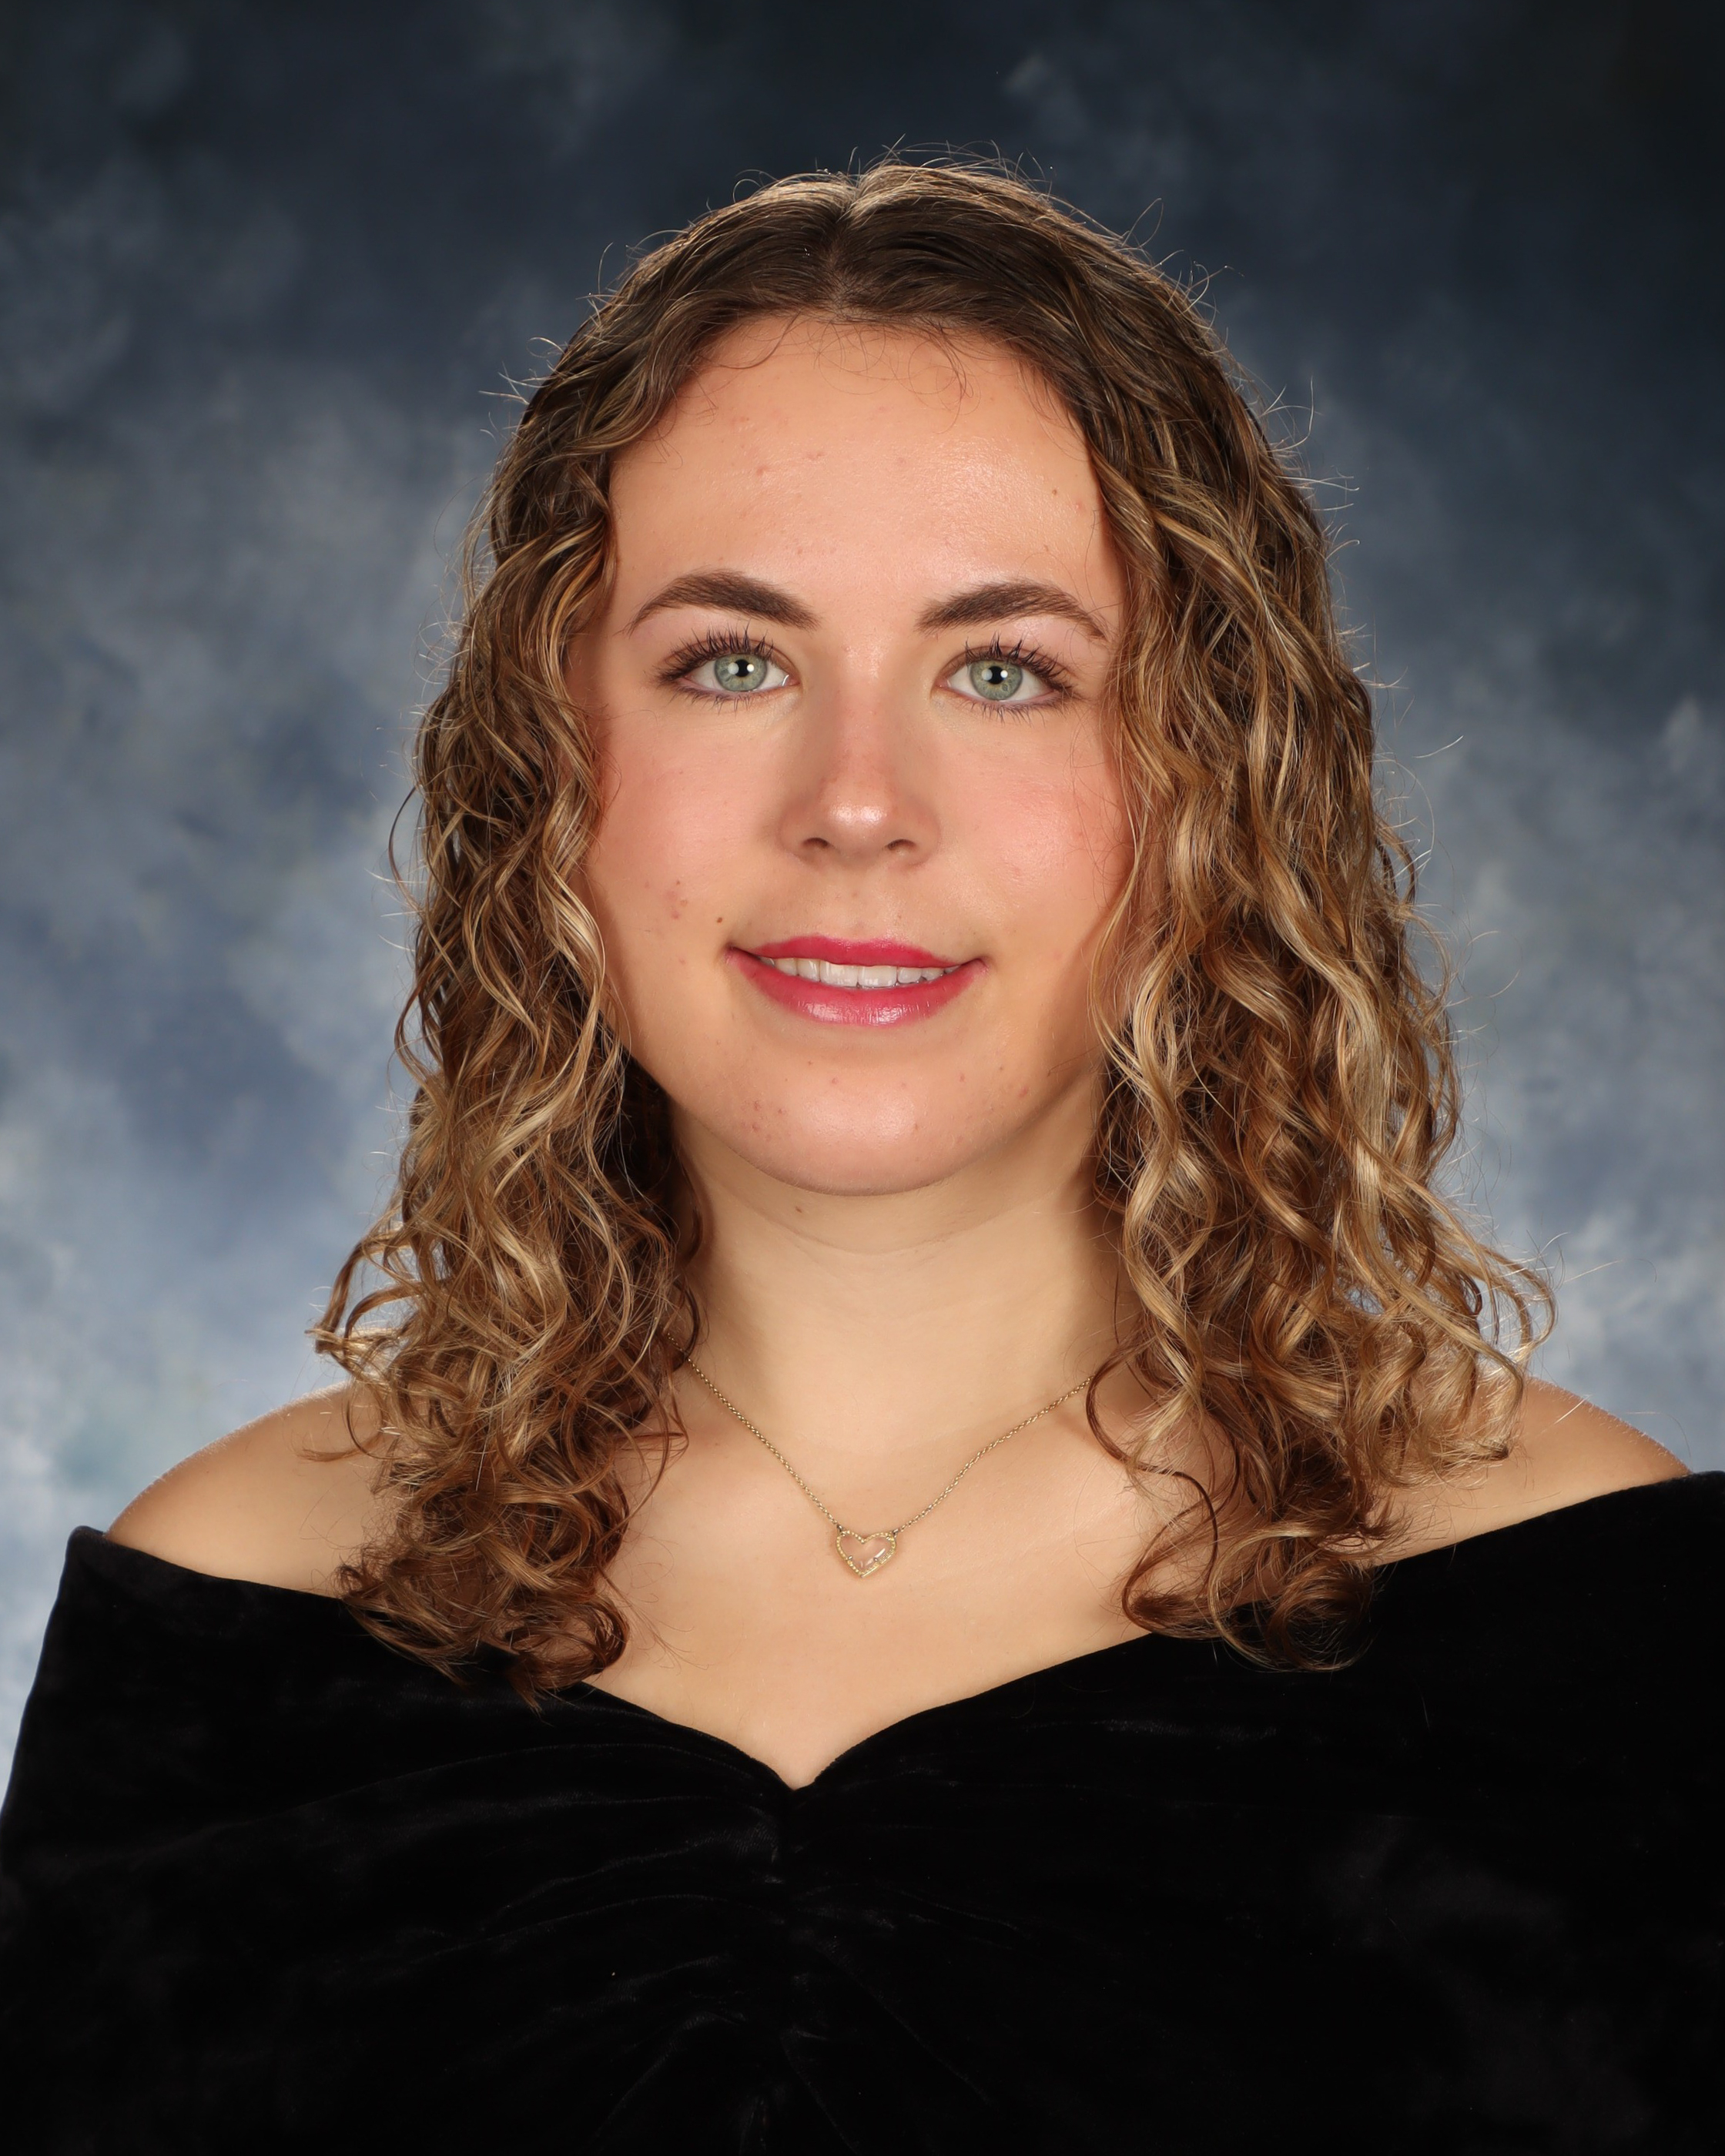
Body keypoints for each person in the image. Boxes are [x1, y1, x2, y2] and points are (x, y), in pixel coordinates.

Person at [1, 159, 1717, 2153]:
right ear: (552, 769)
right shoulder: (233, 1621)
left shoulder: (1587, 1616)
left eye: (1005, 669)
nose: (858, 802)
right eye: (734, 660)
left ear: (1209, 782)